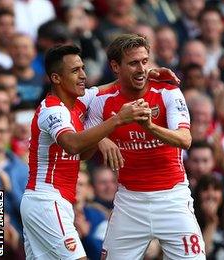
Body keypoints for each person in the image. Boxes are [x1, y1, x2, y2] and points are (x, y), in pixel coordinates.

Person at [20, 45, 148, 259]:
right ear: (56, 78)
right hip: (46, 201)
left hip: (54, 202)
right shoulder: (52, 110)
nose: (83, 75)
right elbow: (72, 145)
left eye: (83, 68)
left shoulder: (79, 102)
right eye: (75, 71)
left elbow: (115, 86)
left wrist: (148, 74)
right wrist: (117, 120)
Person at [86, 34, 204, 259]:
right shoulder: (102, 100)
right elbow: (82, 150)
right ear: (115, 66)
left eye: (144, 61)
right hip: (129, 202)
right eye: (133, 63)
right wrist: (101, 138)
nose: (141, 69)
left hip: (172, 199)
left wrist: (149, 126)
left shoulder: (167, 91)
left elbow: (185, 140)